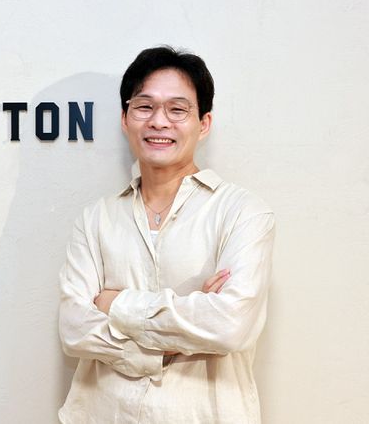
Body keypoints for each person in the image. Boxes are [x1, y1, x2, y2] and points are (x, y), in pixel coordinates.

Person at [58, 46, 275, 423]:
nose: (159, 121)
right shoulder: (95, 218)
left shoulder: (243, 212)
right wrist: (177, 337)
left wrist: (115, 303)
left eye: (177, 109)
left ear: (203, 123)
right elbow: (73, 329)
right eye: (144, 107)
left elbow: (229, 326)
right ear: (125, 119)